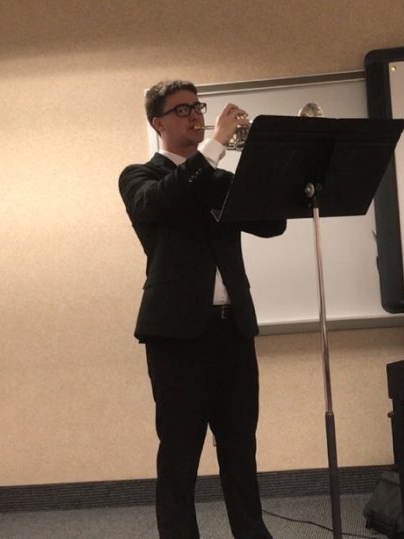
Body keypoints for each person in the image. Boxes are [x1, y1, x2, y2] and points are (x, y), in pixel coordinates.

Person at [118, 80, 286, 538]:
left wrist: (268, 161)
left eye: (198, 107)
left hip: (232, 332)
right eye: (182, 110)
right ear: (158, 123)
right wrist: (213, 147)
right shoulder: (140, 176)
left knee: (239, 450)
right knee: (179, 454)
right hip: (176, 338)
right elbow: (161, 201)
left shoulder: (217, 180)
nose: (196, 115)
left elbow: (272, 224)